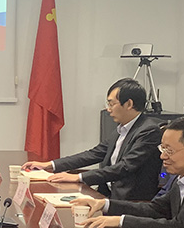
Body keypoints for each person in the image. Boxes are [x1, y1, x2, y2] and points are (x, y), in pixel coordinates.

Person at [22, 77, 163, 201]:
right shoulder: (121, 129)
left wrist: (79, 177)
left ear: (129, 104)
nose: (108, 109)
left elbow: (125, 167)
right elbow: (94, 154)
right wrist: (50, 165)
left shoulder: (148, 131)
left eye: (111, 104)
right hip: (107, 195)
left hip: (129, 201)